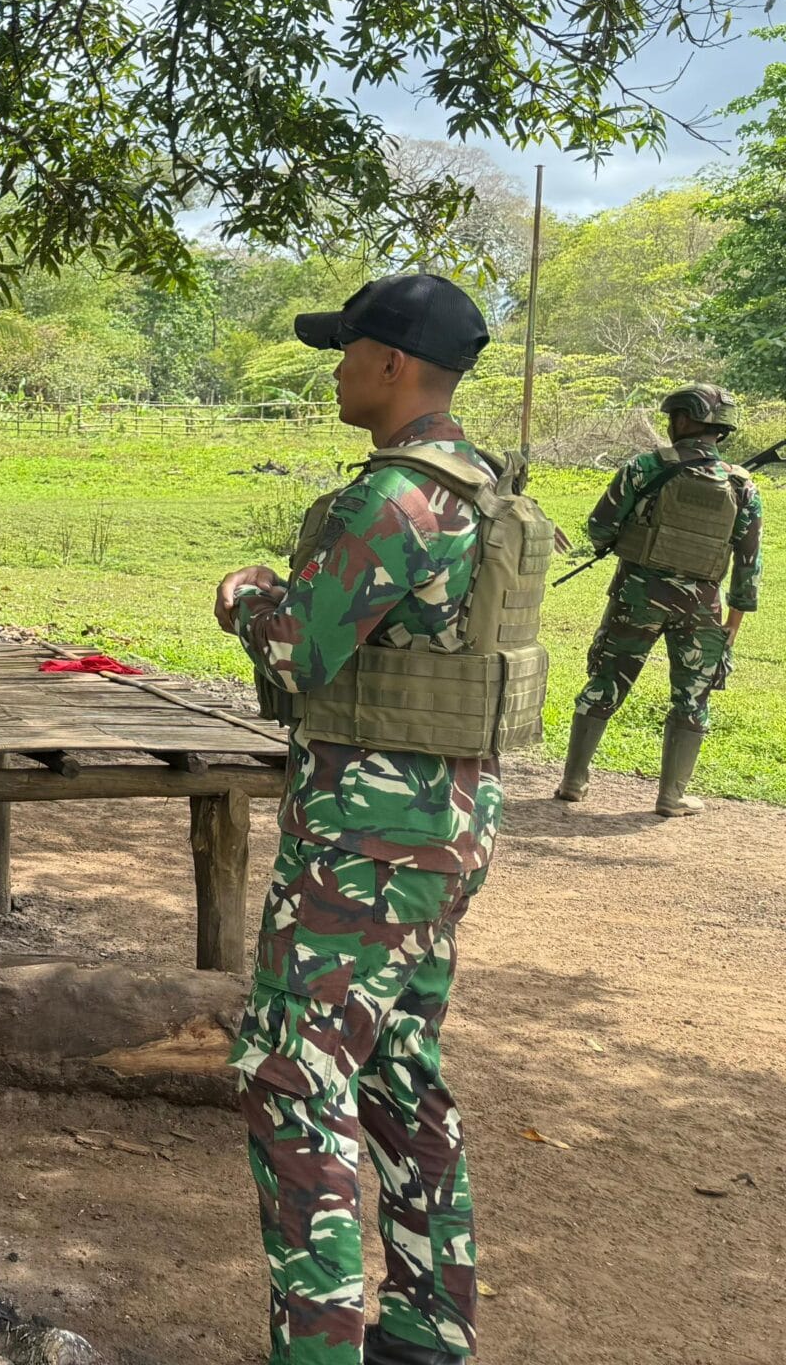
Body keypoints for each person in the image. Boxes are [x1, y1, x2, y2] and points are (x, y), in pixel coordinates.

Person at [212, 274, 527, 1365]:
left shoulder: (394, 500)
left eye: (346, 349)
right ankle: (427, 1326)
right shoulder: (477, 487)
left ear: (392, 364)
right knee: (396, 1069)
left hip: (367, 839)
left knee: (291, 1070)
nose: (335, 367)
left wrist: (243, 589)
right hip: (444, 822)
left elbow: (301, 649)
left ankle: (318, 1348)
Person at [556, 381, 761, 815]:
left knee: (605, 682)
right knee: (692, 698)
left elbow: (599, 529)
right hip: (703, 606)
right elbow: (747, 564)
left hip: (637, 597)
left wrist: (630, 538)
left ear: (683, 420)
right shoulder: (743, 486)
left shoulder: (644, 467)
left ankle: (573, 783)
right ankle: (671, 797)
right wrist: (732, 627)